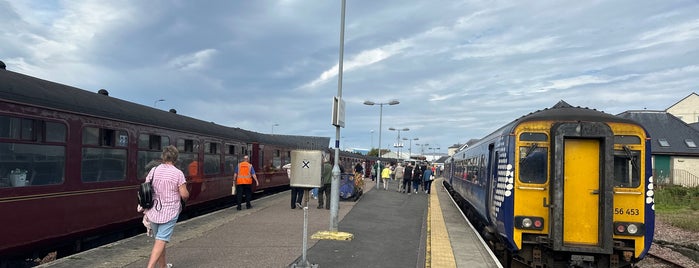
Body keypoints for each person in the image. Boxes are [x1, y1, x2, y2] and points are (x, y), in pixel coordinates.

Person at [144, 145, 189, 268]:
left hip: (153, 210)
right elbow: (184, 194)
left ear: (163, 157)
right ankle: (150, 267)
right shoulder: (177, 173)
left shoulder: (153, 170)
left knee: (159, 240)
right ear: (176, 158)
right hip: (169, 212)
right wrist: (186, 195)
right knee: (161, 240)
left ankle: (163, 266)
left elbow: (146, 186)